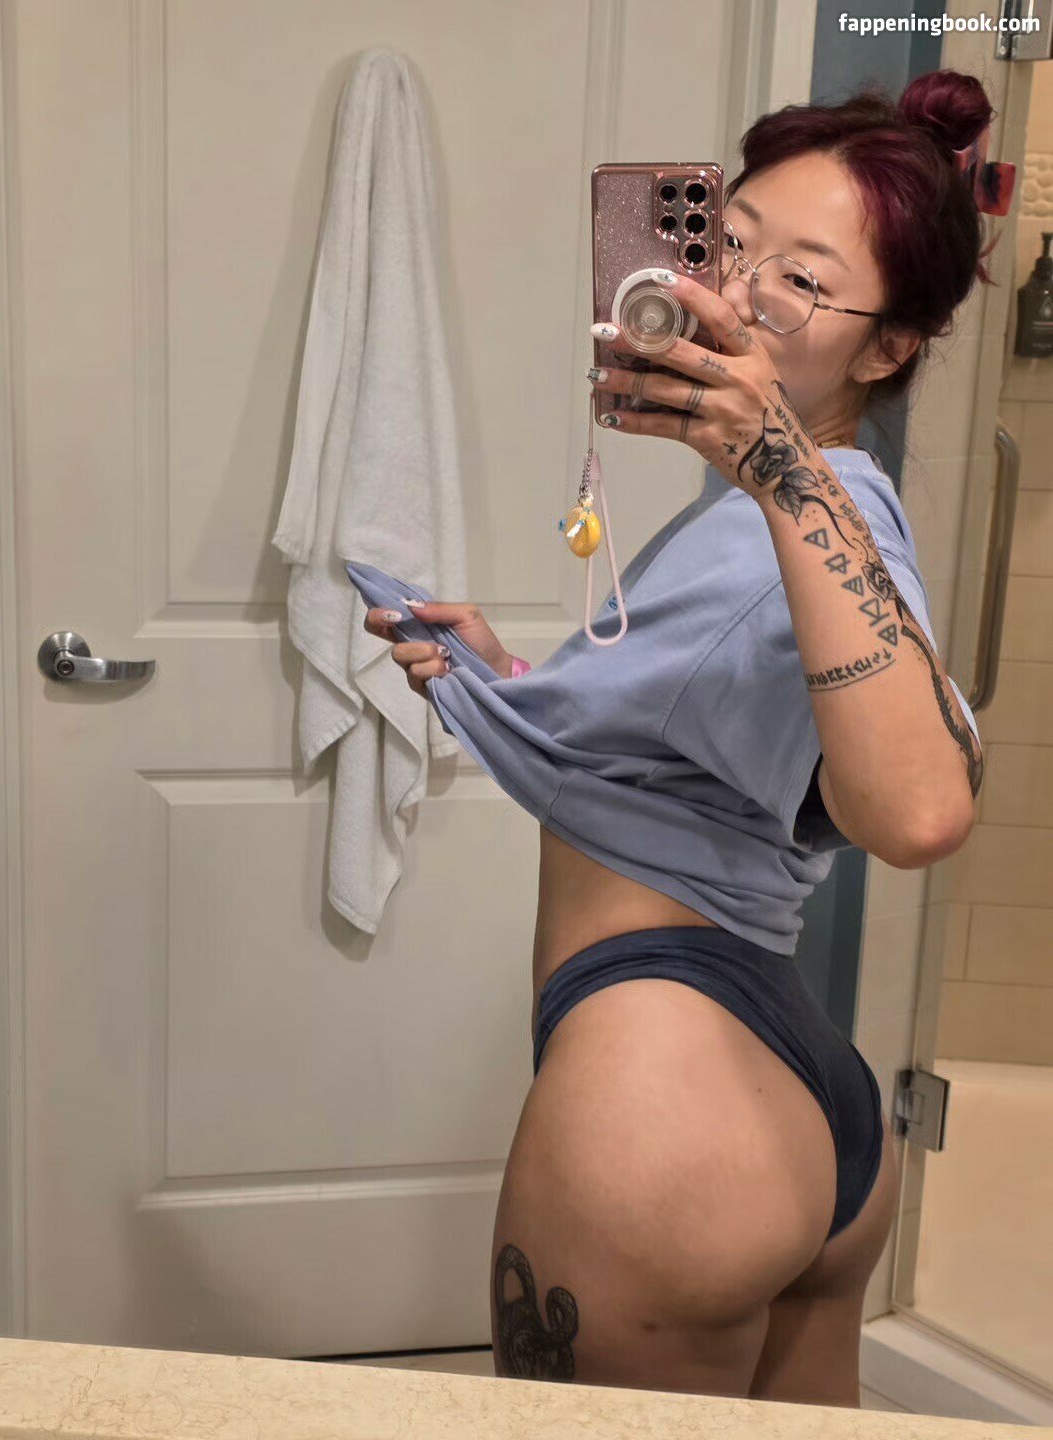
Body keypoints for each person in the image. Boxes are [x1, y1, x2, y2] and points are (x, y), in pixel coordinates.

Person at [361, 69, 995, 1407]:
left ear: (887, 351)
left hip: (664, 1107)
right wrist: (509, 680)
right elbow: (705, 742)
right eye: (729, 240)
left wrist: (777, 464)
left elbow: (923, 806)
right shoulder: (788, 521)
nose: (739, 292)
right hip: (785, 1084)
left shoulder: (821, 511)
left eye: (803, 279)